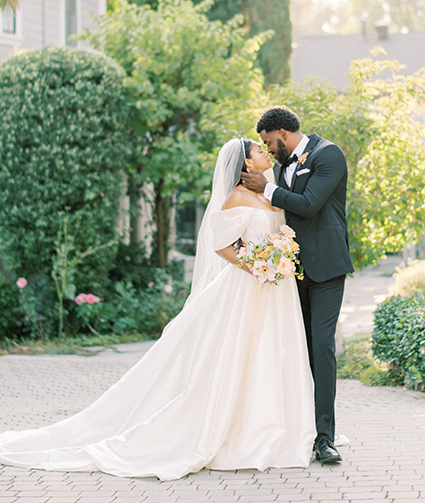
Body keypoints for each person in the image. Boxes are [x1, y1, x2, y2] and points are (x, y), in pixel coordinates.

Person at [0, 138, 315, 480]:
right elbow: (221, 245)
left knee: (273, 353)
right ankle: (237, 429)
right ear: (246, 166)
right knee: (241, 353)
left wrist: (279, 258)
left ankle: (273, 426)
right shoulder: (237, 197)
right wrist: (256, 267)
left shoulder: (269, 193)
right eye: (257, 150)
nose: (265, 152)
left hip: (277, 289)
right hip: (249, 285)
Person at [241, 106, 354, 464]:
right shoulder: (277, 168)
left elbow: (307, 205)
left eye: (269, 142)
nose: (268, 149)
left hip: (326, 267)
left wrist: (268, 189)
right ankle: (300, 430)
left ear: (284, 133)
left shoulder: (328, 155)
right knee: (296, 349)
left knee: (322, 348)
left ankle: (325, 438)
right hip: (290, 272)